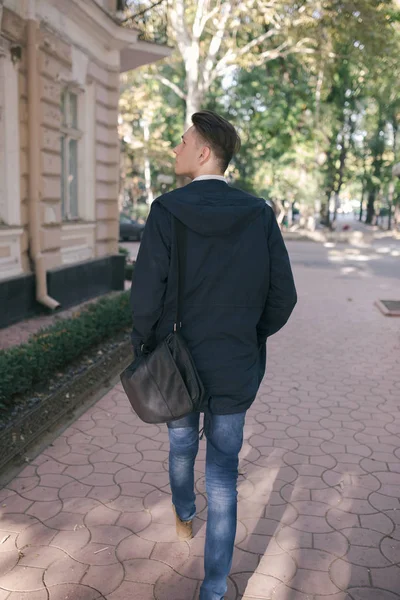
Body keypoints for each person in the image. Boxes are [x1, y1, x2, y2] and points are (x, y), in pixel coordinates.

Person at [130, 110, 297, 600]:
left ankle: (184, 514)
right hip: (234, 362)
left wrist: (142, 345)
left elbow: (145, 295)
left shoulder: (166, 211)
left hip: (174, 362)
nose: (176, 148)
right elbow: (282, 297)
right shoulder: (260, 213)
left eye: (182, 142)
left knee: (181, 446)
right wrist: (251, 334)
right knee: (223, 473)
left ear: (204, 151)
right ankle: (215, 588)